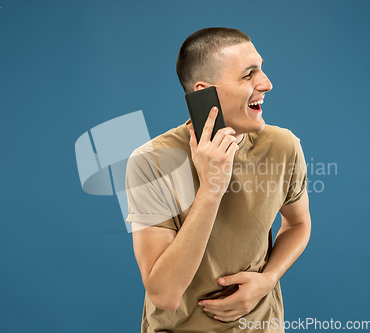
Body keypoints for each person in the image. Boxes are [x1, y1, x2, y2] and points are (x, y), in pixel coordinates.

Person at [125, 27, 311, 333]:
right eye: (248, 75)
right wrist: (211, 189)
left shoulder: (283, 146)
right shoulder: (151, 161)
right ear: (204, 92)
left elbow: (299, 224)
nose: (266, 83)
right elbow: (164, 294)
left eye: (261, 69)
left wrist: (268, 279)